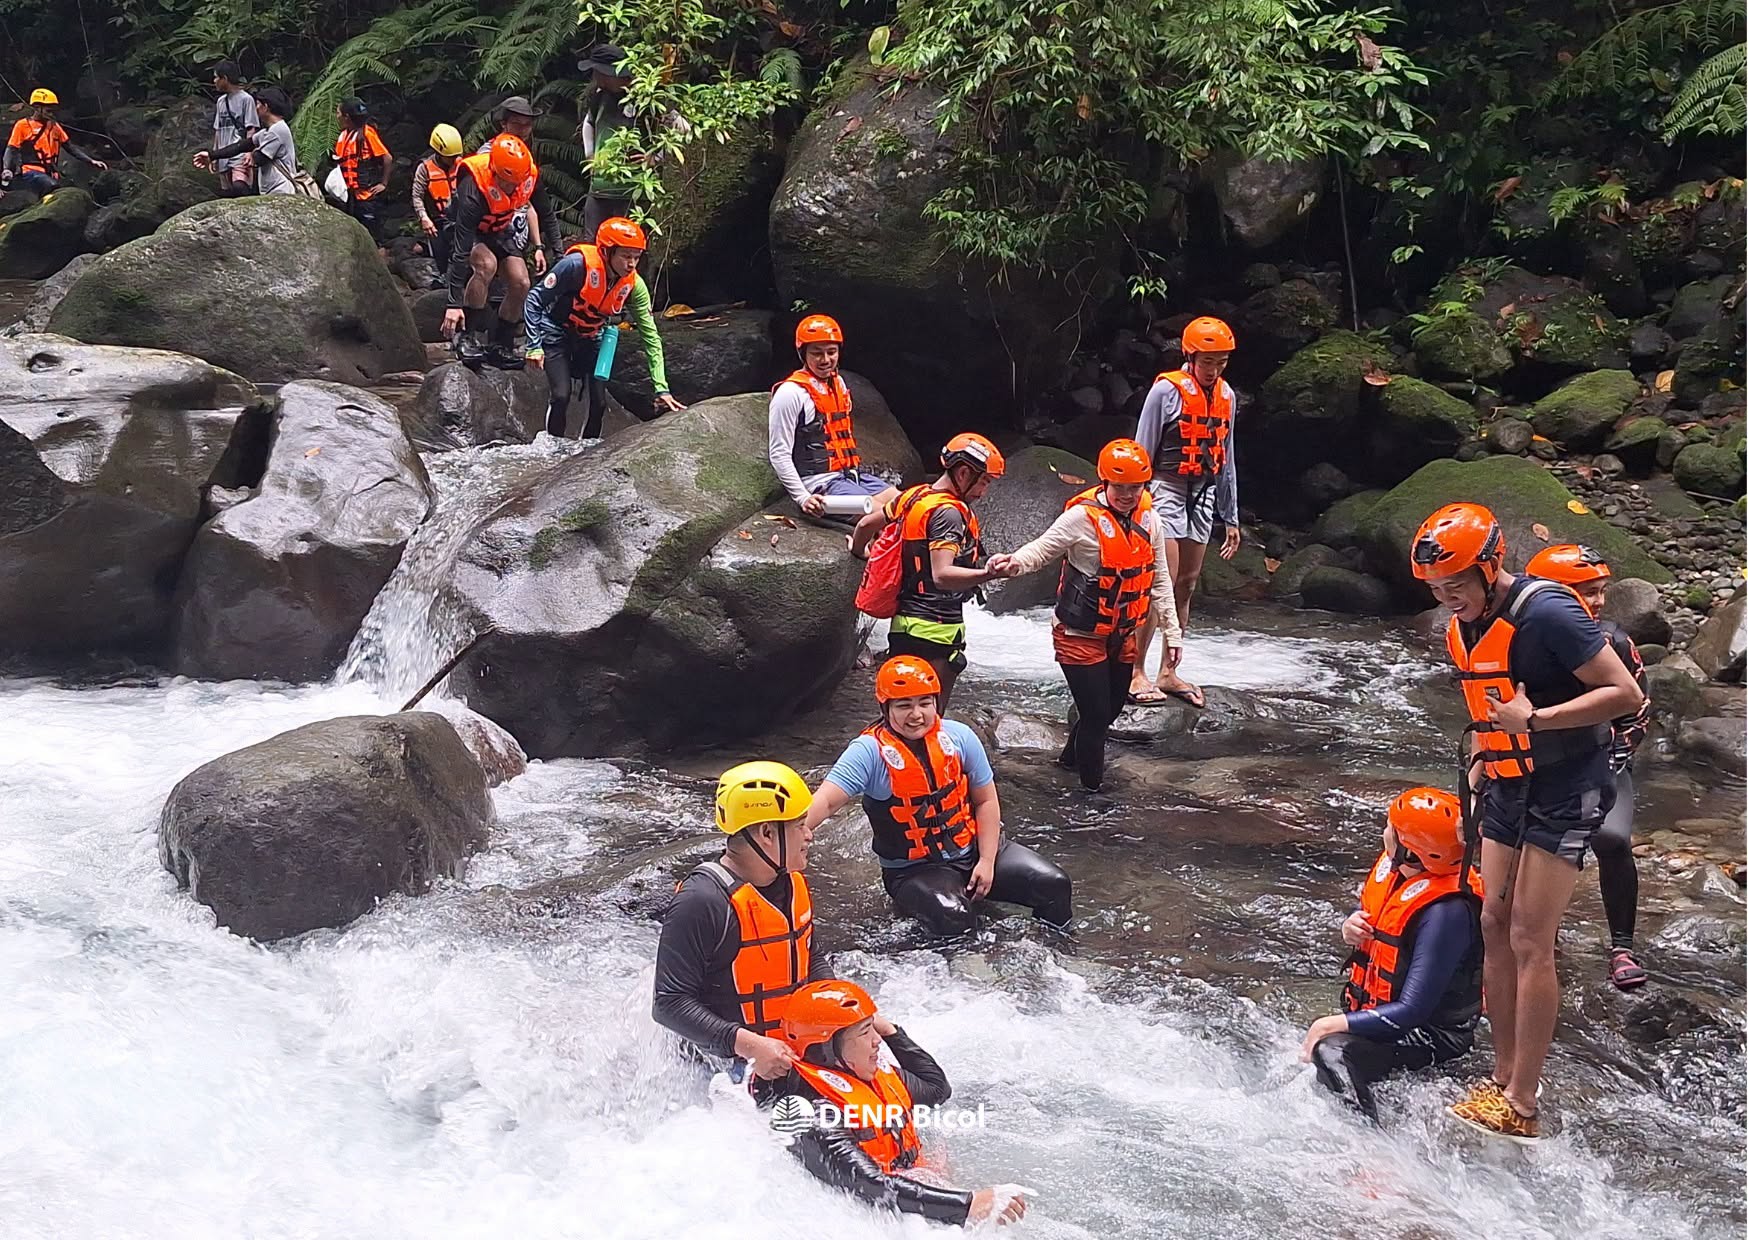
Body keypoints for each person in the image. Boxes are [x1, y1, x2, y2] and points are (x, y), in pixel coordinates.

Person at [1411, 503, 1643, 1141]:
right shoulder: (1462, 625)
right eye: (1436, 587)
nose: (1447, 597)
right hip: (1507, 783)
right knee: (1492, 921)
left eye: (1457, 583)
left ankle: (1524, 1101)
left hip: (1567, 784)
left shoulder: (1547, 611)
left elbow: (1624, 694)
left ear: (1490, 567)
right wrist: (1483, 763)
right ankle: (1502, 1076)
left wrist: (1535, 720)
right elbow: (1489, 706)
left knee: (1530, 937)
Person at [802, 656, 1073, 936]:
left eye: (925, 703)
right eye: (904, 705)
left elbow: (986, 800)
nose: (916, 715)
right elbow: (826, 801)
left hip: (975, 851)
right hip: (915, 870)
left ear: (936, 703)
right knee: (955, 916)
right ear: (886, 708)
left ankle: (1057, 949)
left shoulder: (960, 737)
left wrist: (987, 861)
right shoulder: (868, 752)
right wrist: (790, 838)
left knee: (1054, 884)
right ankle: (968, 956)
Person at [986, 439, 1181, 793]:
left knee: (1110, 709)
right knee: (1096, 716)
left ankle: (1068, 762)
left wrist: (1173, 632)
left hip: (1121, 634)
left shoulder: (1150, 520)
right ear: (1105, 482)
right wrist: (1013, 564)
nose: (1127, 495)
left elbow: (1160, 578)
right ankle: (1092, 793)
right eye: (1120, 487)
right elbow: (1041, 549)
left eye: (1135, 488)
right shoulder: (1081, 517)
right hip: (1078, 634)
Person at [767, 979, 1028, 1228]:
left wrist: (892, 1031)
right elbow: (869, 1184)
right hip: (870, 1217)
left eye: (874, 1028)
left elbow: (937, 1089)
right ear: (825, 1049)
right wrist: (967, 1205)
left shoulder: (872, 1076)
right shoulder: (808, 1112)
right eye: (865, 1032)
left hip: (910, 1197)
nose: (877, 1040)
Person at [1301, 787, 1485, 1122]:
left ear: (1411, 852)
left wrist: (1329, 1023)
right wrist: (1350, 927)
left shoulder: (1447, 913)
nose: (1385, 830)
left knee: (1331, 1052)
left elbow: (1413, 1010)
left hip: (1431, 1037)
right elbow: (1384, 928)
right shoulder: (1402, 872)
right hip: (1390, 1018)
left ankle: (1367, 1142)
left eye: (1392, 828)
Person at [1526, 543, 1652, 991]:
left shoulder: (1614, 642)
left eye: (1600, 591)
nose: (1597, 601)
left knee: (1612, 839)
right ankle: (1543, 936)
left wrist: (1612, 756)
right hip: (1537, 764)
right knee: (1530, 845)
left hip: (1603, 759)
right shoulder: (1522, 644)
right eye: (1585, 591)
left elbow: (1639, 708)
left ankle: (1622, 946)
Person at [653, 761, 817, 1084]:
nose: (810, 835)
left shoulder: (791, 883)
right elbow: (668, 1004)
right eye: (800, 825)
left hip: (783, 1056)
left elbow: (812, 958)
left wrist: (844, 1016)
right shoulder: (701, 901)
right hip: (719, 1076)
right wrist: (751, 1047)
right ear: (766, 833)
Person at [1129, 316, 1242, 709]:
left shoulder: (1227, 397)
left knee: (1187, 584)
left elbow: (1226, 459)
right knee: (1162, 581)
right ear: (1190, 356)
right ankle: (1135, 671)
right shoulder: (1166, 391)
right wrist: (1135, 503)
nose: (1213, 370)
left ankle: (1168, 670)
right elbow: (1142, 448)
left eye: (1221, 362)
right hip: (1166, 487)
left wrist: (1231, 516)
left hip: (1204, 492)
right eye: (1207, 361)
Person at [850, 434, 1007, 710]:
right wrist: (988, 574)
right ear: (963, 473)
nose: (984, 491)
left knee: (899, 714)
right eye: (984, 481)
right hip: (937, 633)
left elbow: (865, 525)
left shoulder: (914, 496)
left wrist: (860, 552)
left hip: (904, 626)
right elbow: (942, 575)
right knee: (930, 718)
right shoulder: (949, 514)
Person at [523, 215, 686, 437]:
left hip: (592, 336)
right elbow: (534, 299)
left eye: (636, 257)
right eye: (626, 256)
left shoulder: (634, 286)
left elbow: (651, 336)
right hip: (556, 331)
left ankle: (590, 451)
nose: (631, 264)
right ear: (607, 252)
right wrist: (534, 345)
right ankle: (553, 446)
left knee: (599, 403)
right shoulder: (575, 265)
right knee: (561, 395)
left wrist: (662, 388)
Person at [441, 132, 563, 368]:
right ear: (494, 171)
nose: (511, 187)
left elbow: (547, 214)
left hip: (498, 228)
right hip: (463, 227)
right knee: (487, 265)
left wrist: (558, 254)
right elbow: (461, 249)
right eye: (506, 182)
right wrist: (453, 304)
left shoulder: (528, 177)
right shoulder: (473, 186)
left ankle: (500, 342)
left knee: (521, 281)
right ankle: (466, 335)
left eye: (516, 182)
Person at [768, 314, 899, 519]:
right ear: (803, 353)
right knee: (888, 517)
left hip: (851, 476)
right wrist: (803, 498)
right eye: (817, 353)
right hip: (820, 486)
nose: (825, 360)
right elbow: (779, 453)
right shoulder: (790, 393)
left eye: (831, 352)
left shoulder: (838, 384)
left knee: (908, 504)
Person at [576, 43, 638, 238]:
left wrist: (655, 157)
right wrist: (590, 156)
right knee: (592, 241)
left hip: (632, 189)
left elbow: (680, 127)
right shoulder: (599, 97)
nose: (596, 78)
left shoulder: (645, 98)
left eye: (599, 73)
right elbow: (589, 123)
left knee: (628, 243)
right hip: (600, 186)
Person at [195, 87, 297, 196]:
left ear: (266, 106)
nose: (256, 108)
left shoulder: (278, 130)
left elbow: (260, 158)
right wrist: (212, 155)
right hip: (272, 190)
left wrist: (250, 155)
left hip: (281, 190)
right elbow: (241, 146)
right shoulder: (268, 131)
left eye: (258, 104)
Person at [2, 89, 106, 195]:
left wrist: (91, 161)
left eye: (53, 111)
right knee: (51, 185)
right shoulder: (23, 125)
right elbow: (11, 149)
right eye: (48, 111)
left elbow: (69, 147)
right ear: (37, 108)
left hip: (50, 172)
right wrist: (7, 169)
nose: (51, 114)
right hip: (31, 172)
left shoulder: (54, 126)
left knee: (69, 190)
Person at [331, 98, 390, 241]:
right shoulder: (343, 135)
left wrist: (383, 183)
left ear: (346, 116)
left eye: (338, 113)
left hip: (367, 196)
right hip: (350, 195)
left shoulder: (367, 133)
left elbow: (387, 158)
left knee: (372, 234)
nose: (336, 116)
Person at [413, 123, 462, 275]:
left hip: (460, 218)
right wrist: (424, 218)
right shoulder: (424, 169)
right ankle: (442, 279)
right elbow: (417, 196)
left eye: (456, 156)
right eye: (450, 157)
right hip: (437, 221)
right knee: (441, 256)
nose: (454, 159)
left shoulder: (461, 164)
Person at [208, 62, 258, 197]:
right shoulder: (221, 101)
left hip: (240, 153)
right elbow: (218, 129)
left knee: (240, 186)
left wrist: (249, 152)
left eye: (216, 77)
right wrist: (214, 155)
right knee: (227, 193)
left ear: (225, 78)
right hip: (223, 154)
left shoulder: (246, 99)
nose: (214, 81)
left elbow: (251, 127)